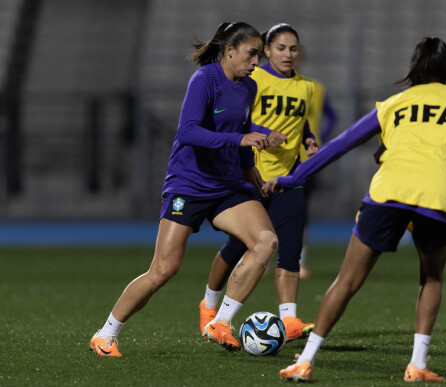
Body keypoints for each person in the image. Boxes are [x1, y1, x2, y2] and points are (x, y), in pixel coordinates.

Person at [271, 37, 446, 382]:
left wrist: (293, 177)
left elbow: (343, 143)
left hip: (389, 192)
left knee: (346, 281)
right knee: (432, 277)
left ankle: (306, 360)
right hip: (438, 197)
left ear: (414, 67)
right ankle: (417, 365)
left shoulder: (395, 103)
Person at [89, 22, 278, 356]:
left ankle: (222, 321)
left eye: (259, 56)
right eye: (252, 54)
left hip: (228, 185)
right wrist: (240, 139)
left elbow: (243, 132)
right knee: (163, 270)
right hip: (189, 184)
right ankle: (106, 333)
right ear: (230, 50)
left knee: (265, 242)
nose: (256, 62)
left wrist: (252, 174)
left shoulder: (249, 87)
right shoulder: (204, 80)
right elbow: (188, 132)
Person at [198, 23, 319, 345]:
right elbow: (237, 116)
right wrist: (264, 134)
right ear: (266, 50)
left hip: (289, 176)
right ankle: (209, 306)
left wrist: (307, 137)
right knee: (239, 245)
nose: (288, 54)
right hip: (252, 174)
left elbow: (300, 118)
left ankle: (290, 319)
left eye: (293, 48)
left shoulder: (306, 86)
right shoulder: (254, 79)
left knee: (289, 247)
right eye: (281, 48)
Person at [294, 48, 338, 279]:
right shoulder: (267, 84)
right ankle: (259, 261)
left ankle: (298, 262)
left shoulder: (314, 88)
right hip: (272, 157)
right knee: (264, 210)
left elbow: (332, 115)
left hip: (306, 159)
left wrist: (321, 138)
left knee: (300, 211)